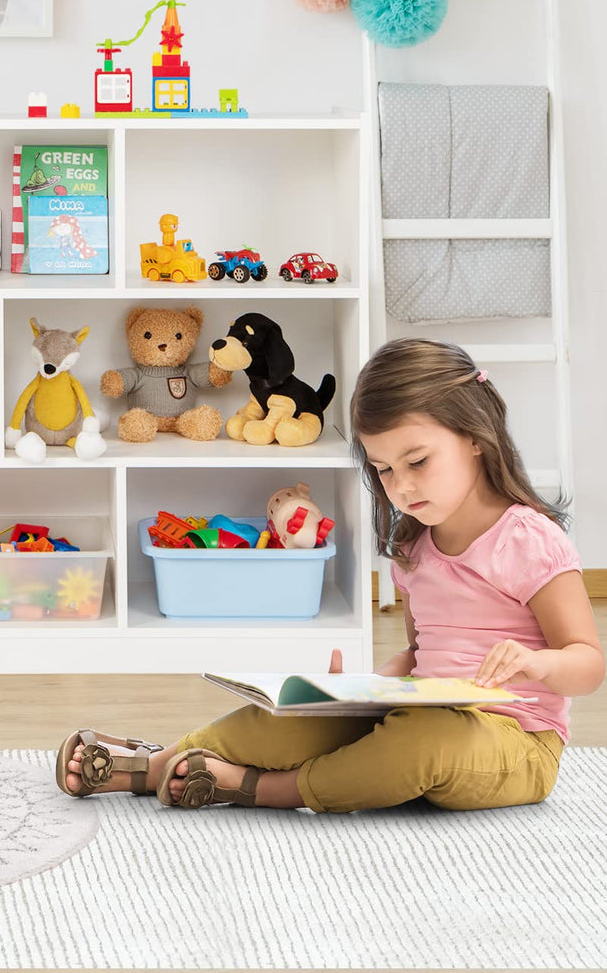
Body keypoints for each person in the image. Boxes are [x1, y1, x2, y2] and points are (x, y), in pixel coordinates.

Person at [56, 338, 604, 813]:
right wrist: (360, 691)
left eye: (418, 462)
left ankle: (268, 790)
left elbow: (588, 663)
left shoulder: (529, 541)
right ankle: (161, 764)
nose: (403, 488)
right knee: (294, 716)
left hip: (517, 742)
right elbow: (421, 657)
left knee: (425, 740)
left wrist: (537, 663)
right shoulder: (414, 545)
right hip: (424, 710)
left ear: (475, 437)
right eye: (384, 470)